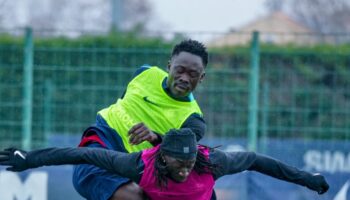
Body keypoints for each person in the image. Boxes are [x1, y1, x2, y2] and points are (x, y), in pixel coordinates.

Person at [0, 129, 329, 200]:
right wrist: (29, 158)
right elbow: (81, 154)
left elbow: (257, 160)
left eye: (189, 163)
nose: (185, 169)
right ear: (162, 156)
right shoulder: (139, 165)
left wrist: (307, 178)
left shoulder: (211, 164)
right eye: (179, 164)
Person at [73, 39, 208, 199]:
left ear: (201, 78)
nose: (184, 78)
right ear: (169, 66)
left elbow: (179, 156)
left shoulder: (193, 120)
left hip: (136, 166)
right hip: (104, 137)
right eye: (180, 70)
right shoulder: (144, 73)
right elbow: (124, 101)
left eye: (192, 74)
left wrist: (154, 137)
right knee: (90, 175)